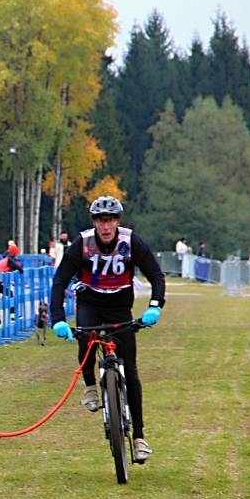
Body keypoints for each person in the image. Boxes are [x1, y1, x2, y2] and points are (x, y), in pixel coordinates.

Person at [49, 196, 165, 463]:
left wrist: (155, 306)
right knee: (86, 339)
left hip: (120, 308)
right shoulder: (83, 243)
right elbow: (60, 281)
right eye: (101, 220)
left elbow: (156, 275)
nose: (106, 225)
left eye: (110, 219)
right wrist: (57, 319)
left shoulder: (130, 241)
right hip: (90, 302)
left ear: (117, 221)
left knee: (131, 371)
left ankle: (138, 438)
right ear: (94, 222)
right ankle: (90, 385)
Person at [0, 243, 23, 326]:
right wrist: (20, 267)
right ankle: (3, 320)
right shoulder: (9, 260)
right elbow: (19, 268)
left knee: (6, 295)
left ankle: (1, 320)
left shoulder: (7, 258)